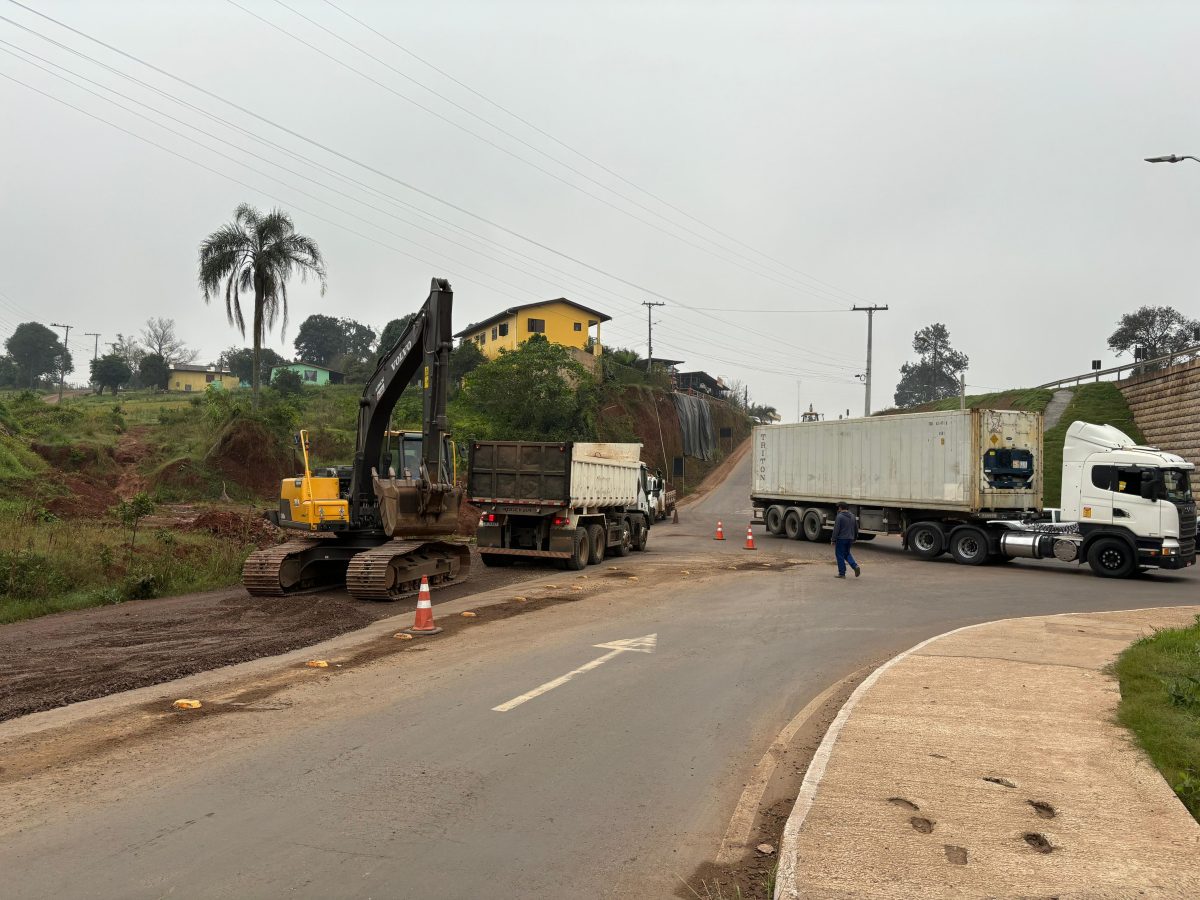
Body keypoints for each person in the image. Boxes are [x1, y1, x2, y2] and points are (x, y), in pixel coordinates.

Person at [831, 502, 861, 578]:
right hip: (850, 538)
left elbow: (836, 529)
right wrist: (855, 538)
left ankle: (842, 573)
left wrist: (833, 539)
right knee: (846, 554)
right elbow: (856, 528)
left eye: (838, 507)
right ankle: (855, 566)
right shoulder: (852, 516)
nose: (838, 509)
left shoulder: (839, 516)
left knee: (840, 555)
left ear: (840, 508)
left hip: (841, 539)